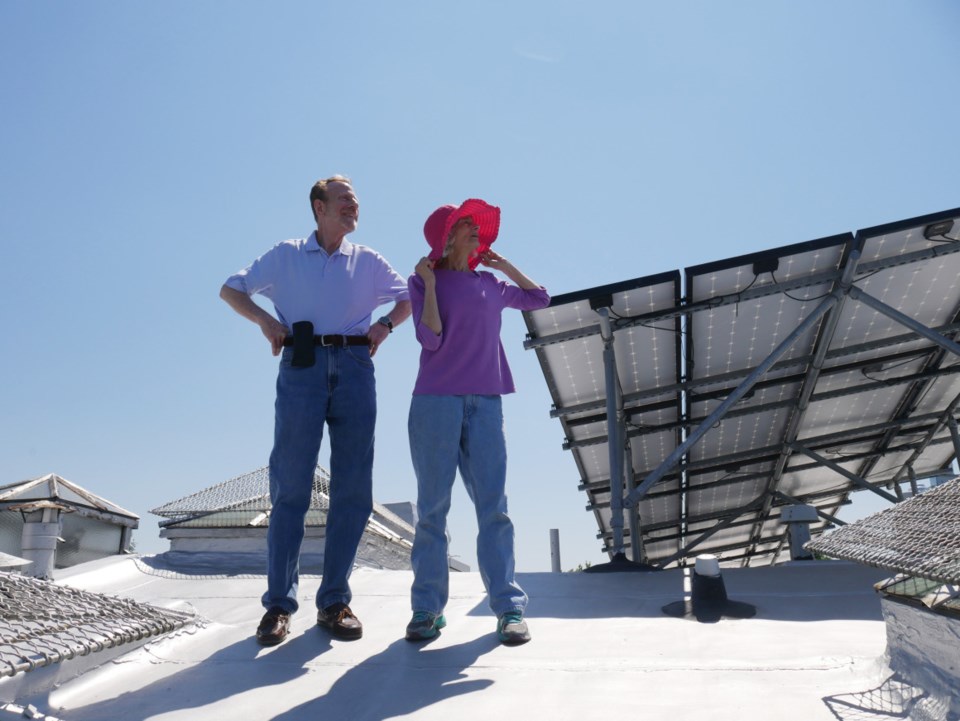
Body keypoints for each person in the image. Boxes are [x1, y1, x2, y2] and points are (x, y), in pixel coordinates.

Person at [220, 175, 411, 646]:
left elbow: (411, 297)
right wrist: (266, 321)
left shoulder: (368, 261)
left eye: (357, 202)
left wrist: (385, 325)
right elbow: (231, 288)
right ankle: (279, 607)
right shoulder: (285, 255)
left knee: (353, 489)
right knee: (290, 487)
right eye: (345, 200)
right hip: (300, 365)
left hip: (354, 365)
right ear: (318, 206)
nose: (354, 207)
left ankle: (334, 602)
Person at [404, 198, 550, 645]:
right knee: (432, 511)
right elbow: (429, 339)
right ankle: (427, 611)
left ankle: (509, 610)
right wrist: (429, 285)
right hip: (435, 403)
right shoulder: (423, 281)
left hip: (486, 403)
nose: (474, 231)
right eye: (464, 226)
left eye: (474, 225)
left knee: (494, 508)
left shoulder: (491, 284)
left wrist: (506, 266)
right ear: (446, 238)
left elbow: (539, 298)